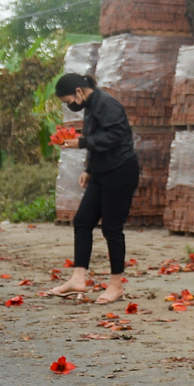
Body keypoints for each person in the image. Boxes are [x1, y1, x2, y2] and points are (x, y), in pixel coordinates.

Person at [44, 73, 139, 305]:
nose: (70, 106)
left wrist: (82, 143)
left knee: (111, 228)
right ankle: (78, 277)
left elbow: (117, 136)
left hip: (120, 171)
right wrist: (89, 169)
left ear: (79, 91)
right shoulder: (91, 106)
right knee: (83, 220)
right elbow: (97, 139)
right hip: (101, 172)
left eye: (68, 101)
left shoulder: (107, 104)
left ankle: (116, 285)